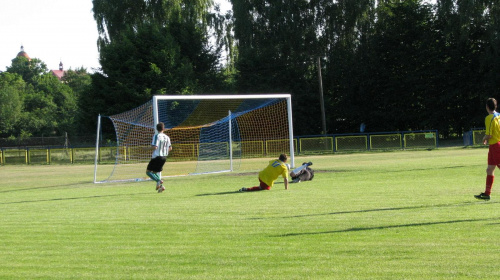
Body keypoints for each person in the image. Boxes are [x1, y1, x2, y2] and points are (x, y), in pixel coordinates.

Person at [475, 98, 500, 201]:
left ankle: (487, 194)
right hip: (494, 145)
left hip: (496, 146)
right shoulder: (498, 115)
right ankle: (487, 194)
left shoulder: (489, 118)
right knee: (489, 169)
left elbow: (489, 135)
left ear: (487, 106)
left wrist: (484, 138)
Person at [146, 122, 172, 193]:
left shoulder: (156, 136)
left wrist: (146, 149)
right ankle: (160, 187)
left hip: (157, 157)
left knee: (148, 172)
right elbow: (170, 148)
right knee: (154, 172)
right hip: (164, 157)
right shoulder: (167, 137)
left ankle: (159, 180)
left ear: (157, 129)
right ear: (163, 128)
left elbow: (155, 146)